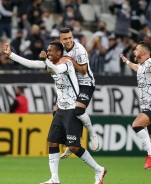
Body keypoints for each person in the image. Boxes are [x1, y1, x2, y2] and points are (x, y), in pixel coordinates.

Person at [3, 41, 107, 184]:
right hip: (61, 109)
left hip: (72, 109)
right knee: (52, 142)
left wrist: (45, 60)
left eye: (51, 51)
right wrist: (11, 55)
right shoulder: (50, 63)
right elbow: (30, 64)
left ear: (59, 53)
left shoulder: (67, 63)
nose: (48, 53)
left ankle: (98, 169)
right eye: (47, 51)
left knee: (73, 147)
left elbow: (57, 70)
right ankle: (54, 179)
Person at [119, 41, 151, 184]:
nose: (134, 52)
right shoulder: (142, 66)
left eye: (136, 50)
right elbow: (137, 68)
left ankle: (150, 155)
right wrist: (127, 61)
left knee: (136, 124)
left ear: (143, 53)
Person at [58, 28, 99, 159]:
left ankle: (92, 134)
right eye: (65, 38)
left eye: (70, 37)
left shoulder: (79, 49)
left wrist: (70, 60)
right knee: (62, 112)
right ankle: (71, 144)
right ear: (61, 40)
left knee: (79, 110)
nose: (69, 40)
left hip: (86, 84)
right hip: (71, 85)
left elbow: (83, 71)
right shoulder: (59, 50)